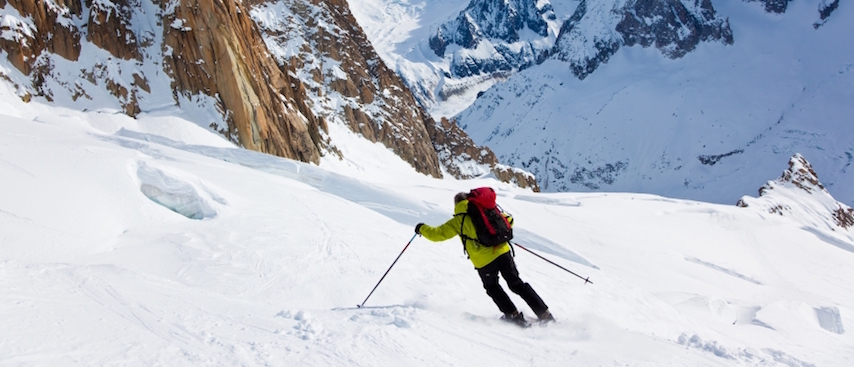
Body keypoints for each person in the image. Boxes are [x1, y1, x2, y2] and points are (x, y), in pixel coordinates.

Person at [415, 191, 554, 326]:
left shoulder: (458, 221)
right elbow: (509, 220)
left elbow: (437, 235)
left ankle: (513, 315)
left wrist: (421, 228)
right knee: (517, 284)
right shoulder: (487, 211)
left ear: (456, 204)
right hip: (503, 253)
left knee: (492, 287)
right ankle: (544, 314)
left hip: (485, 262)